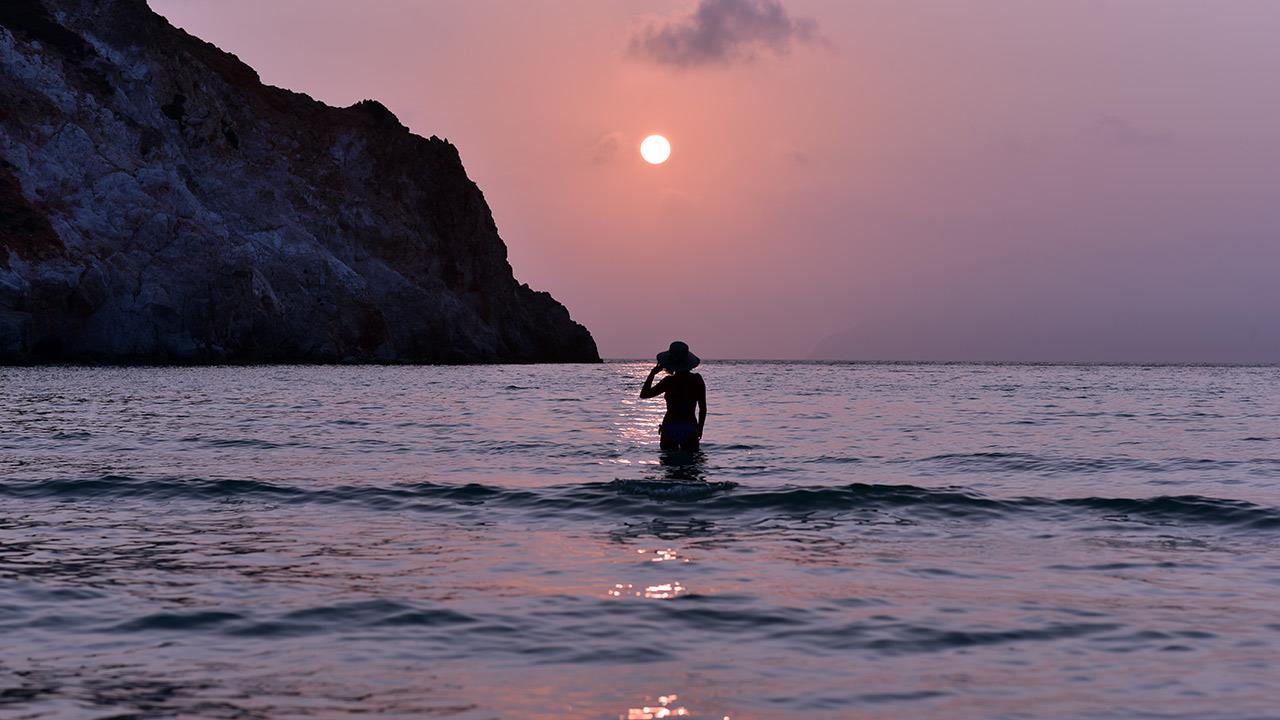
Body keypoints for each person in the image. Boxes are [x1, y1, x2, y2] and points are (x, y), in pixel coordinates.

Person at [640, 341, 707, 451]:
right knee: (691, 466)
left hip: (670, 427)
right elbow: (702, 408)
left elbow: (644, 395)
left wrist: (652, 373)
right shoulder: (697, 380)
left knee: (669, 465)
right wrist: (700, 429)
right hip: (689, 427)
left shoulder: (669, 381)